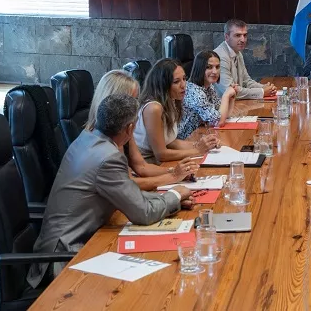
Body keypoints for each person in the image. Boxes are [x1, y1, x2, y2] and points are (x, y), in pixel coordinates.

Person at [27, 94, 194, 288]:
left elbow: (129, 193)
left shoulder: (87, 139)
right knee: (156, 282)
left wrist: (170, 198)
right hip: (65, 257)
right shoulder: (108, 158)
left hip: (73, 242)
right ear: (130, 128)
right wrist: (175, 194)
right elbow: (144, 213)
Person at [85, 70, 199, 191]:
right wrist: (173, 177)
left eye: (135, 100)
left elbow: (142, 166)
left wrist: (176, 171)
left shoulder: (124, 128)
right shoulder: (99, 140)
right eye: (131, 100)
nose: (136, 106)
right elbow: (128, 184)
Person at [135, 58, 218, 163]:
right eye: (176, 82)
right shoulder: (153, 108)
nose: (184, 85)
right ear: (163, 84)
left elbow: (170, 142)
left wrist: (202, 145)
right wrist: (197, 150)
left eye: (184, 79)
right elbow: (161, 154)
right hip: (148, 163)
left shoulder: (172, 101)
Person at [178, 51, 239, 139]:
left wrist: (231, 97)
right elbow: (218, 122)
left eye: (217, 67)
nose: (215, 71)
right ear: (200, 68)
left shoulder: (209, 87)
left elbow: (223, 115)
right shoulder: (195, 92)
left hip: (200, 135)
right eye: (209, 67)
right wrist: (226, 95)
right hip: (185, 141)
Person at [214, 18, 277, 99]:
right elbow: (229, 91)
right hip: (220, 108)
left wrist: (265, 87)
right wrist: (262, 92)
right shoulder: (219, 56)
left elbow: (246, 82)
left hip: (235, 105)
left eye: (245, 35)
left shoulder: (238, 52)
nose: (243, 40)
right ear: (226, 37)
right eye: (238, 35)